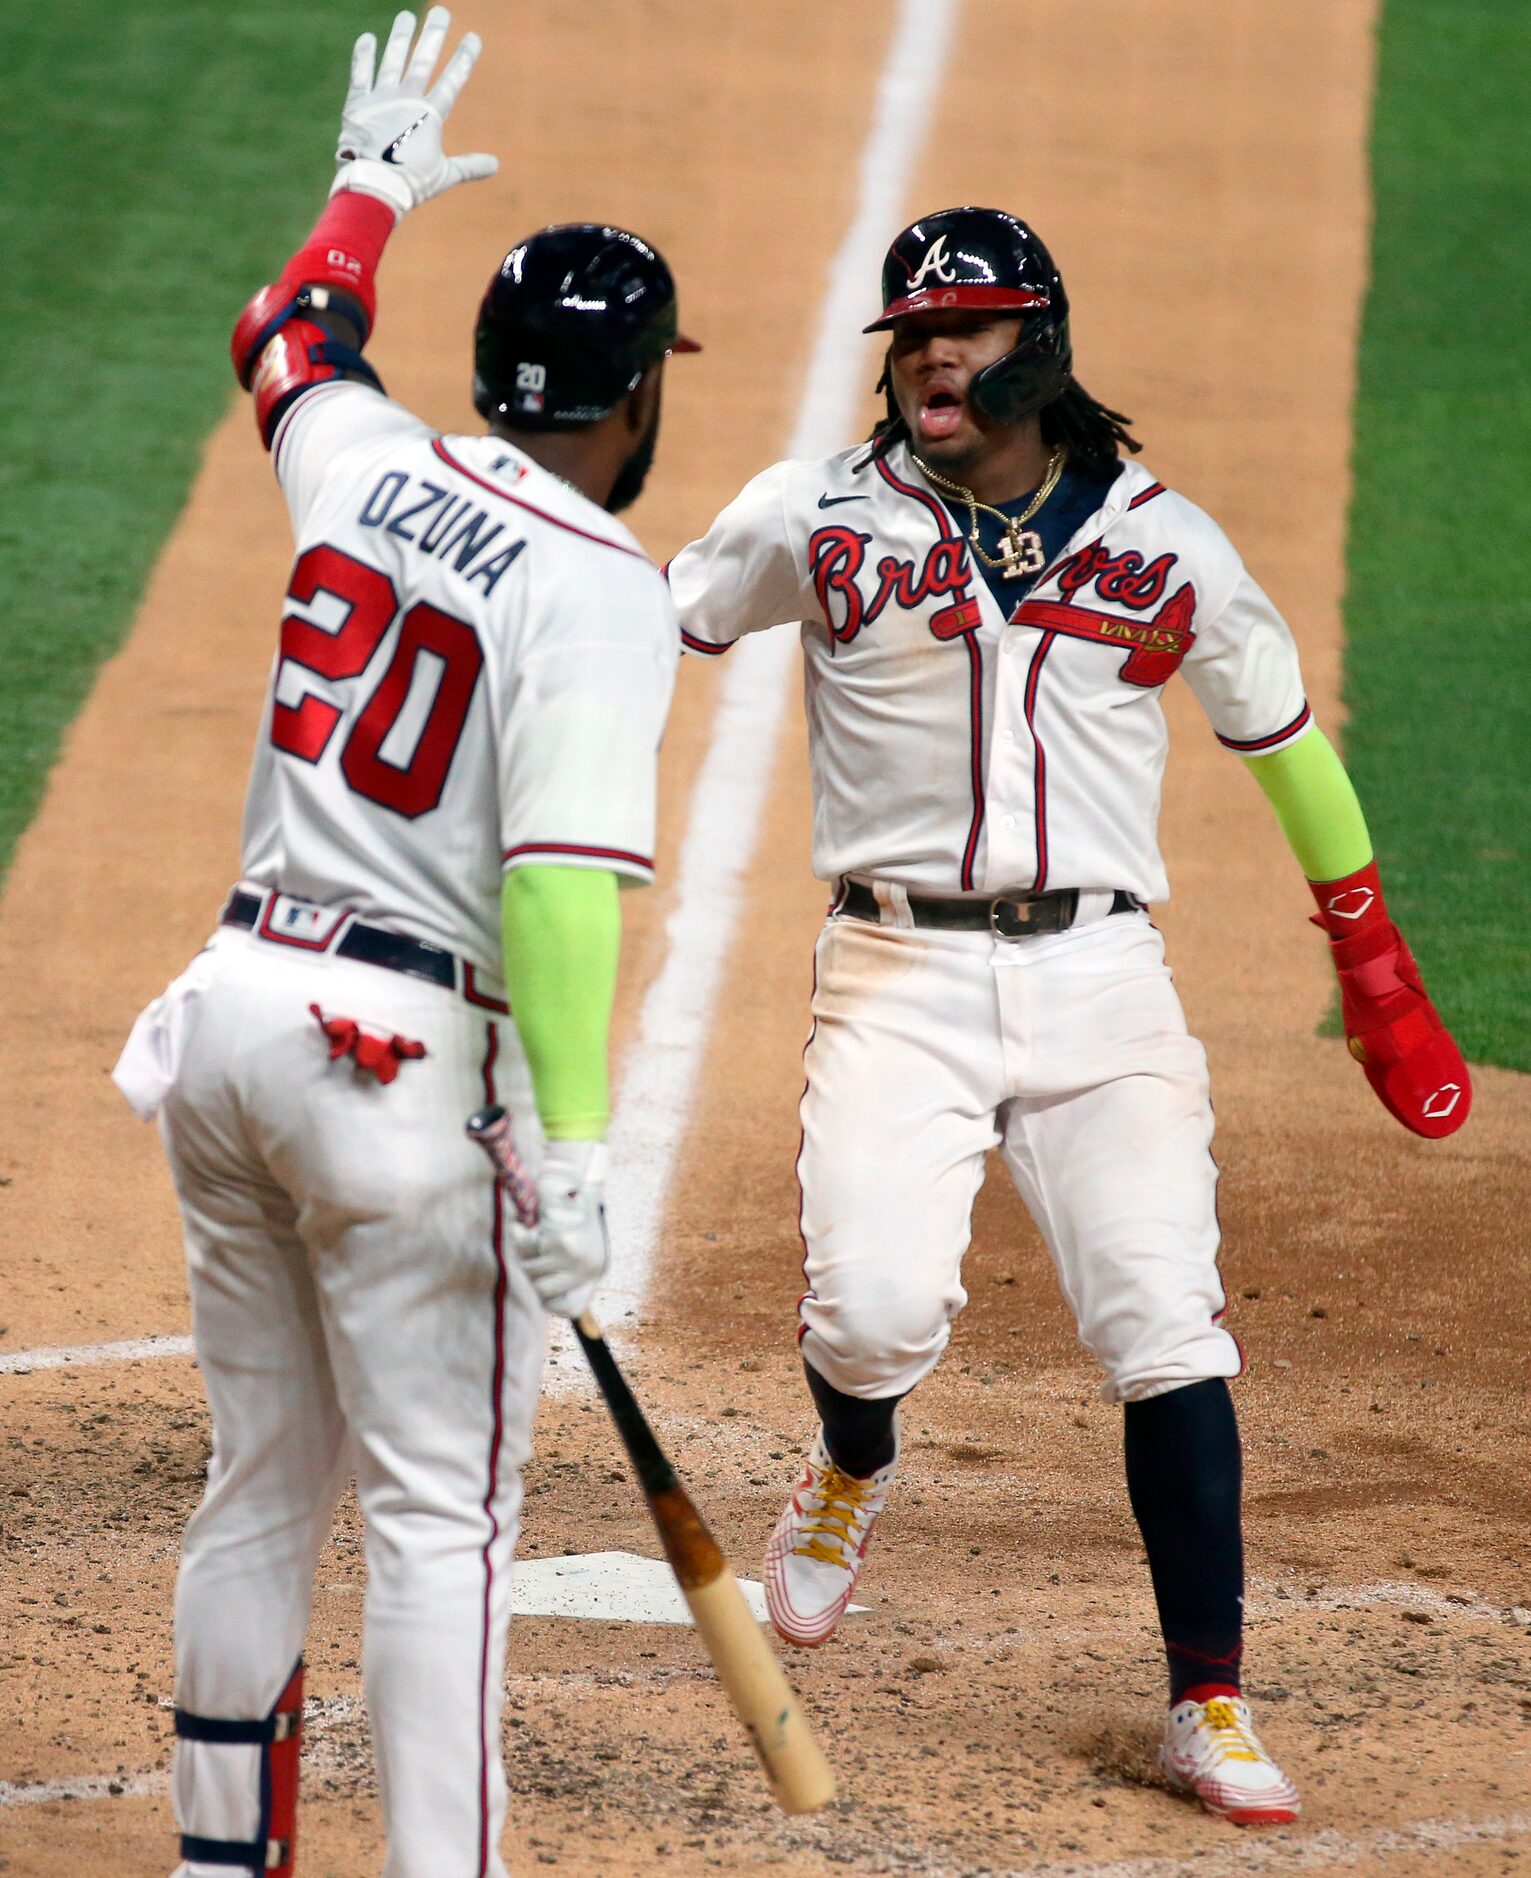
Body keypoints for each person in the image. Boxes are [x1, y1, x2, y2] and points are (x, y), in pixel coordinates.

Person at [664, 205, 1469, 1827]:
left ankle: (1210, 1698)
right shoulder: (816, 519)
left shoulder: (1167, 540)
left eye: (961, 325)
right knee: (872, 1318)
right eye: (909, 334)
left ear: (1041, 341)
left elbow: (1284, 739)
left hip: (1103, 979)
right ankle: (853, 1466)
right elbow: (657, 620)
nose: (929, 354)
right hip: (899, 975)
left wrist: (1376, 969)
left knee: (1167, 1324)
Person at [112, 12, 694, 1873]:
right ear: (631, 406)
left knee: (266, 1480)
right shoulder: (606, 587)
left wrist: (362, 197)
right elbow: (555, 883)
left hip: (227, 1023)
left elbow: (284, 340)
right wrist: (581, 1138)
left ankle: (225, 1862)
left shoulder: (361, 461)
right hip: (392, 1069)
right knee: (443, 1518)